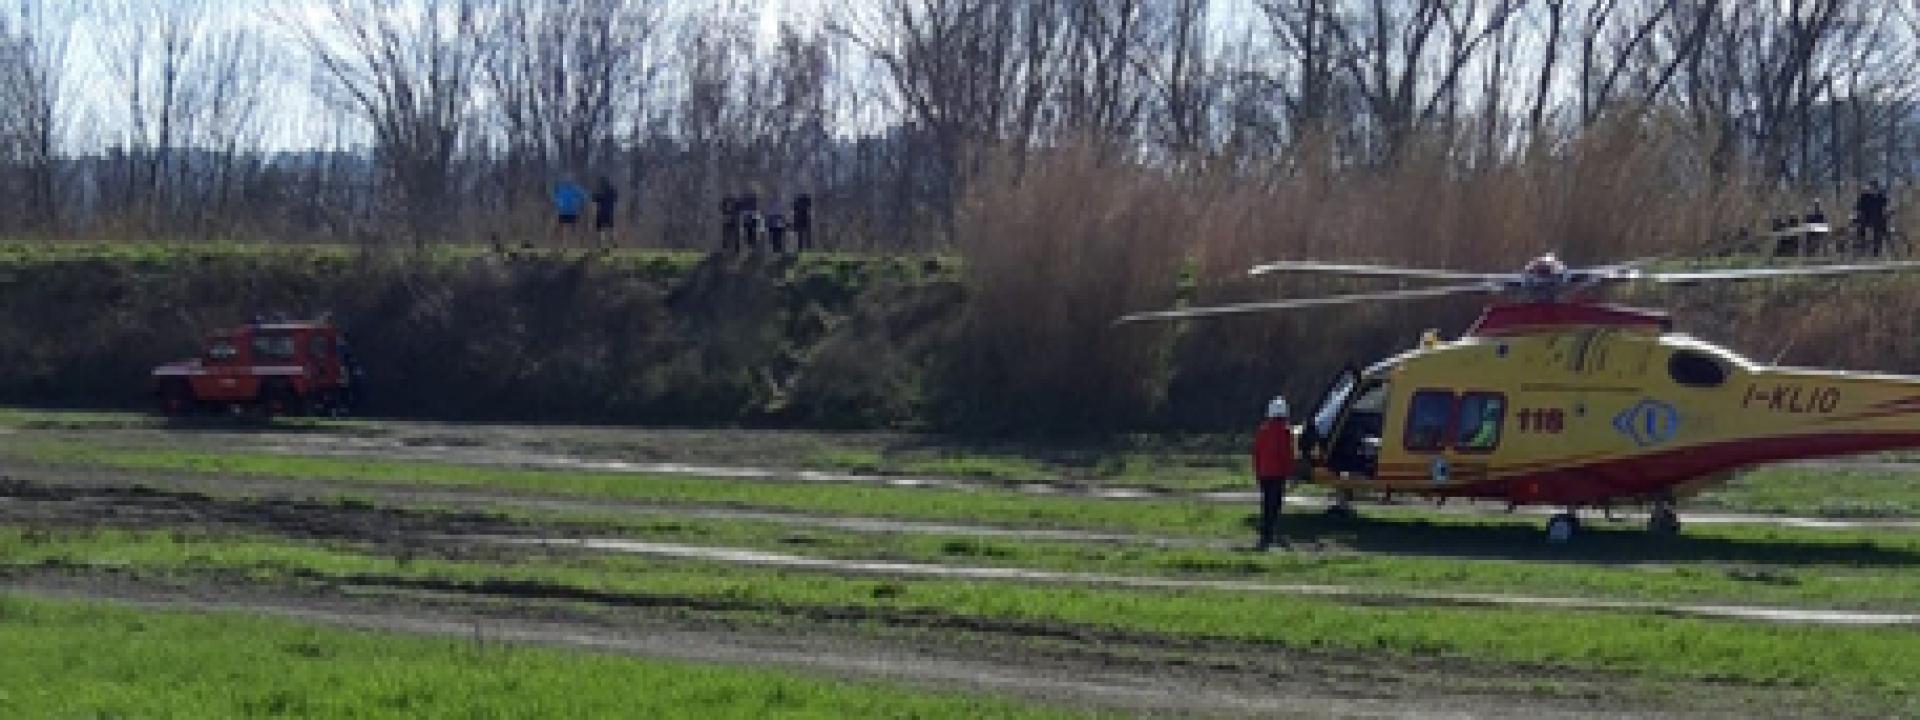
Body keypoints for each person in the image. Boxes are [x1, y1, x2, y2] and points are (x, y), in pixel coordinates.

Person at [1252, 395, 1295, 551]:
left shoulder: (1263, 430)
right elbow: (1286, 454)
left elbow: (1256, 452)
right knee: (1275, 504)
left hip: (1264, 473)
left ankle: (1265, 533)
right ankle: (1269, 534)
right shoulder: (1285, 431)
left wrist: (1257, 471)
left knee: (1266, 503)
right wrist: (1289, 471)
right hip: (1278, 474)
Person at [550, 176, 589, 249]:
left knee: (576, 228)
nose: (568, 181)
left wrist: (579, 203)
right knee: (563, 229)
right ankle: (564, 245)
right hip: (563, 212)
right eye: (566, 180)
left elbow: (585, 196)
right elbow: (554, 197)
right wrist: (558, 203)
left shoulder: (576, 189)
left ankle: (581, 244)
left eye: (569, 180)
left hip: (573, 212)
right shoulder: (561, 189)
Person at [1855, 180, 1890, 256]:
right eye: (1872, 187)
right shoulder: (1864, 197)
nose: (1873, 189)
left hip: (1878, 219)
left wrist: (1887, 213)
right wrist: (1858, 215)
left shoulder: (1881, 197)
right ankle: (1861, 246)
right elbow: (1858, 208)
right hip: (1866, 218)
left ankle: (1876, 249)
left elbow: (1885, 208)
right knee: (1860, 226)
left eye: (1875, 187)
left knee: (1879, 229)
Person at [592, 176, 620, 251]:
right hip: (610, 211)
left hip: (601, 212)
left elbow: (594, 199)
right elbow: (616, 199)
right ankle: (614, 242)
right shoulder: (612, 190)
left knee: (601, 229)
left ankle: (601, 244)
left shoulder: (600, 190)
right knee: (611, 228)